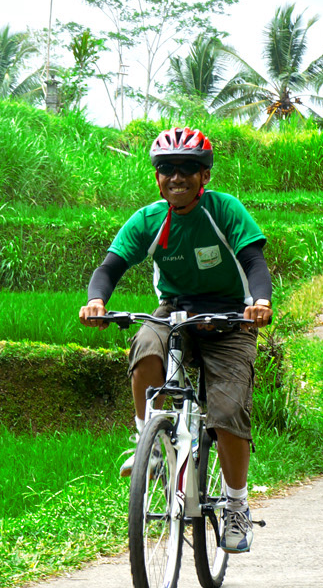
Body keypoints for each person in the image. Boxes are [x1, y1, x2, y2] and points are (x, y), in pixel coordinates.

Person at [79, 127, 273, 554]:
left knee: (225, 411)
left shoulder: (225, 211)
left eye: (188, 169)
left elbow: (254, 262)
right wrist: (96, 301)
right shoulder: (150, 219)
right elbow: (110, 268)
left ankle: (237, 504)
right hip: (176, 309)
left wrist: (259, 301)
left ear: (204, 176)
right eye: (167, 169)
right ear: (157, 177)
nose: (176, 177)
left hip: (230, 316)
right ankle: (148, 439)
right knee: (146, 345)